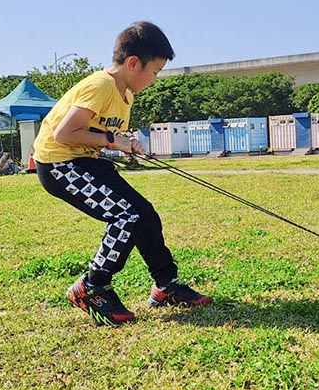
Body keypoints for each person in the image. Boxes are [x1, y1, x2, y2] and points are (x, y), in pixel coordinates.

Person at [32, 21, 212, 326]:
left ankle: (165, 286)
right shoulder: (100, 86)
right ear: (133, 63)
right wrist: (115, 141)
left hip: (85, 162)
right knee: (128, 216)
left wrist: (124, 145)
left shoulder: (124, 95)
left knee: (145, 214)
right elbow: (65, 133)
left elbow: (96, 133)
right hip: (60, 165)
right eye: (154, 72)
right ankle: (91, 286)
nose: (154, 80)